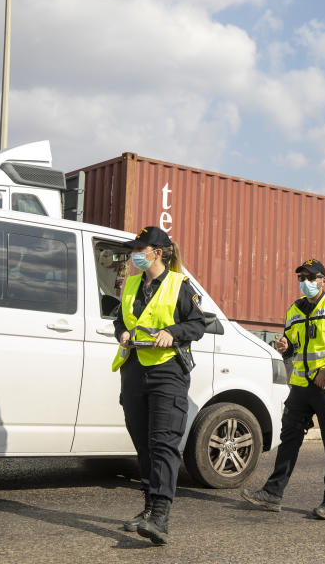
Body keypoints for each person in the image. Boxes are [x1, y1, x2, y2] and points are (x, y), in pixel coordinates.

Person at [240, 258, 325, 520]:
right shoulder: (293, 310)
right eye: (301, 278)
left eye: (310, 277)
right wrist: (286, 347)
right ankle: (273, 494)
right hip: (300, 387)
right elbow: (294, 347)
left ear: (323, 280)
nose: (304, 282)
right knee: (289, 441)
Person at [113, 226, 205, 545]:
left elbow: (198, 324)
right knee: (144, 443)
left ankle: (161, 517)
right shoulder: (132, 283)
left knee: (163, 442)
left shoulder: (180, 284)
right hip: (134, 369)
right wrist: (122, 334)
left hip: (168, 371)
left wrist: (173, 332)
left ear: (158, 252)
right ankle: (149, 507)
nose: (135, 255)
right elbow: (120, 320)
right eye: (134, 249)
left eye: (140, 249)